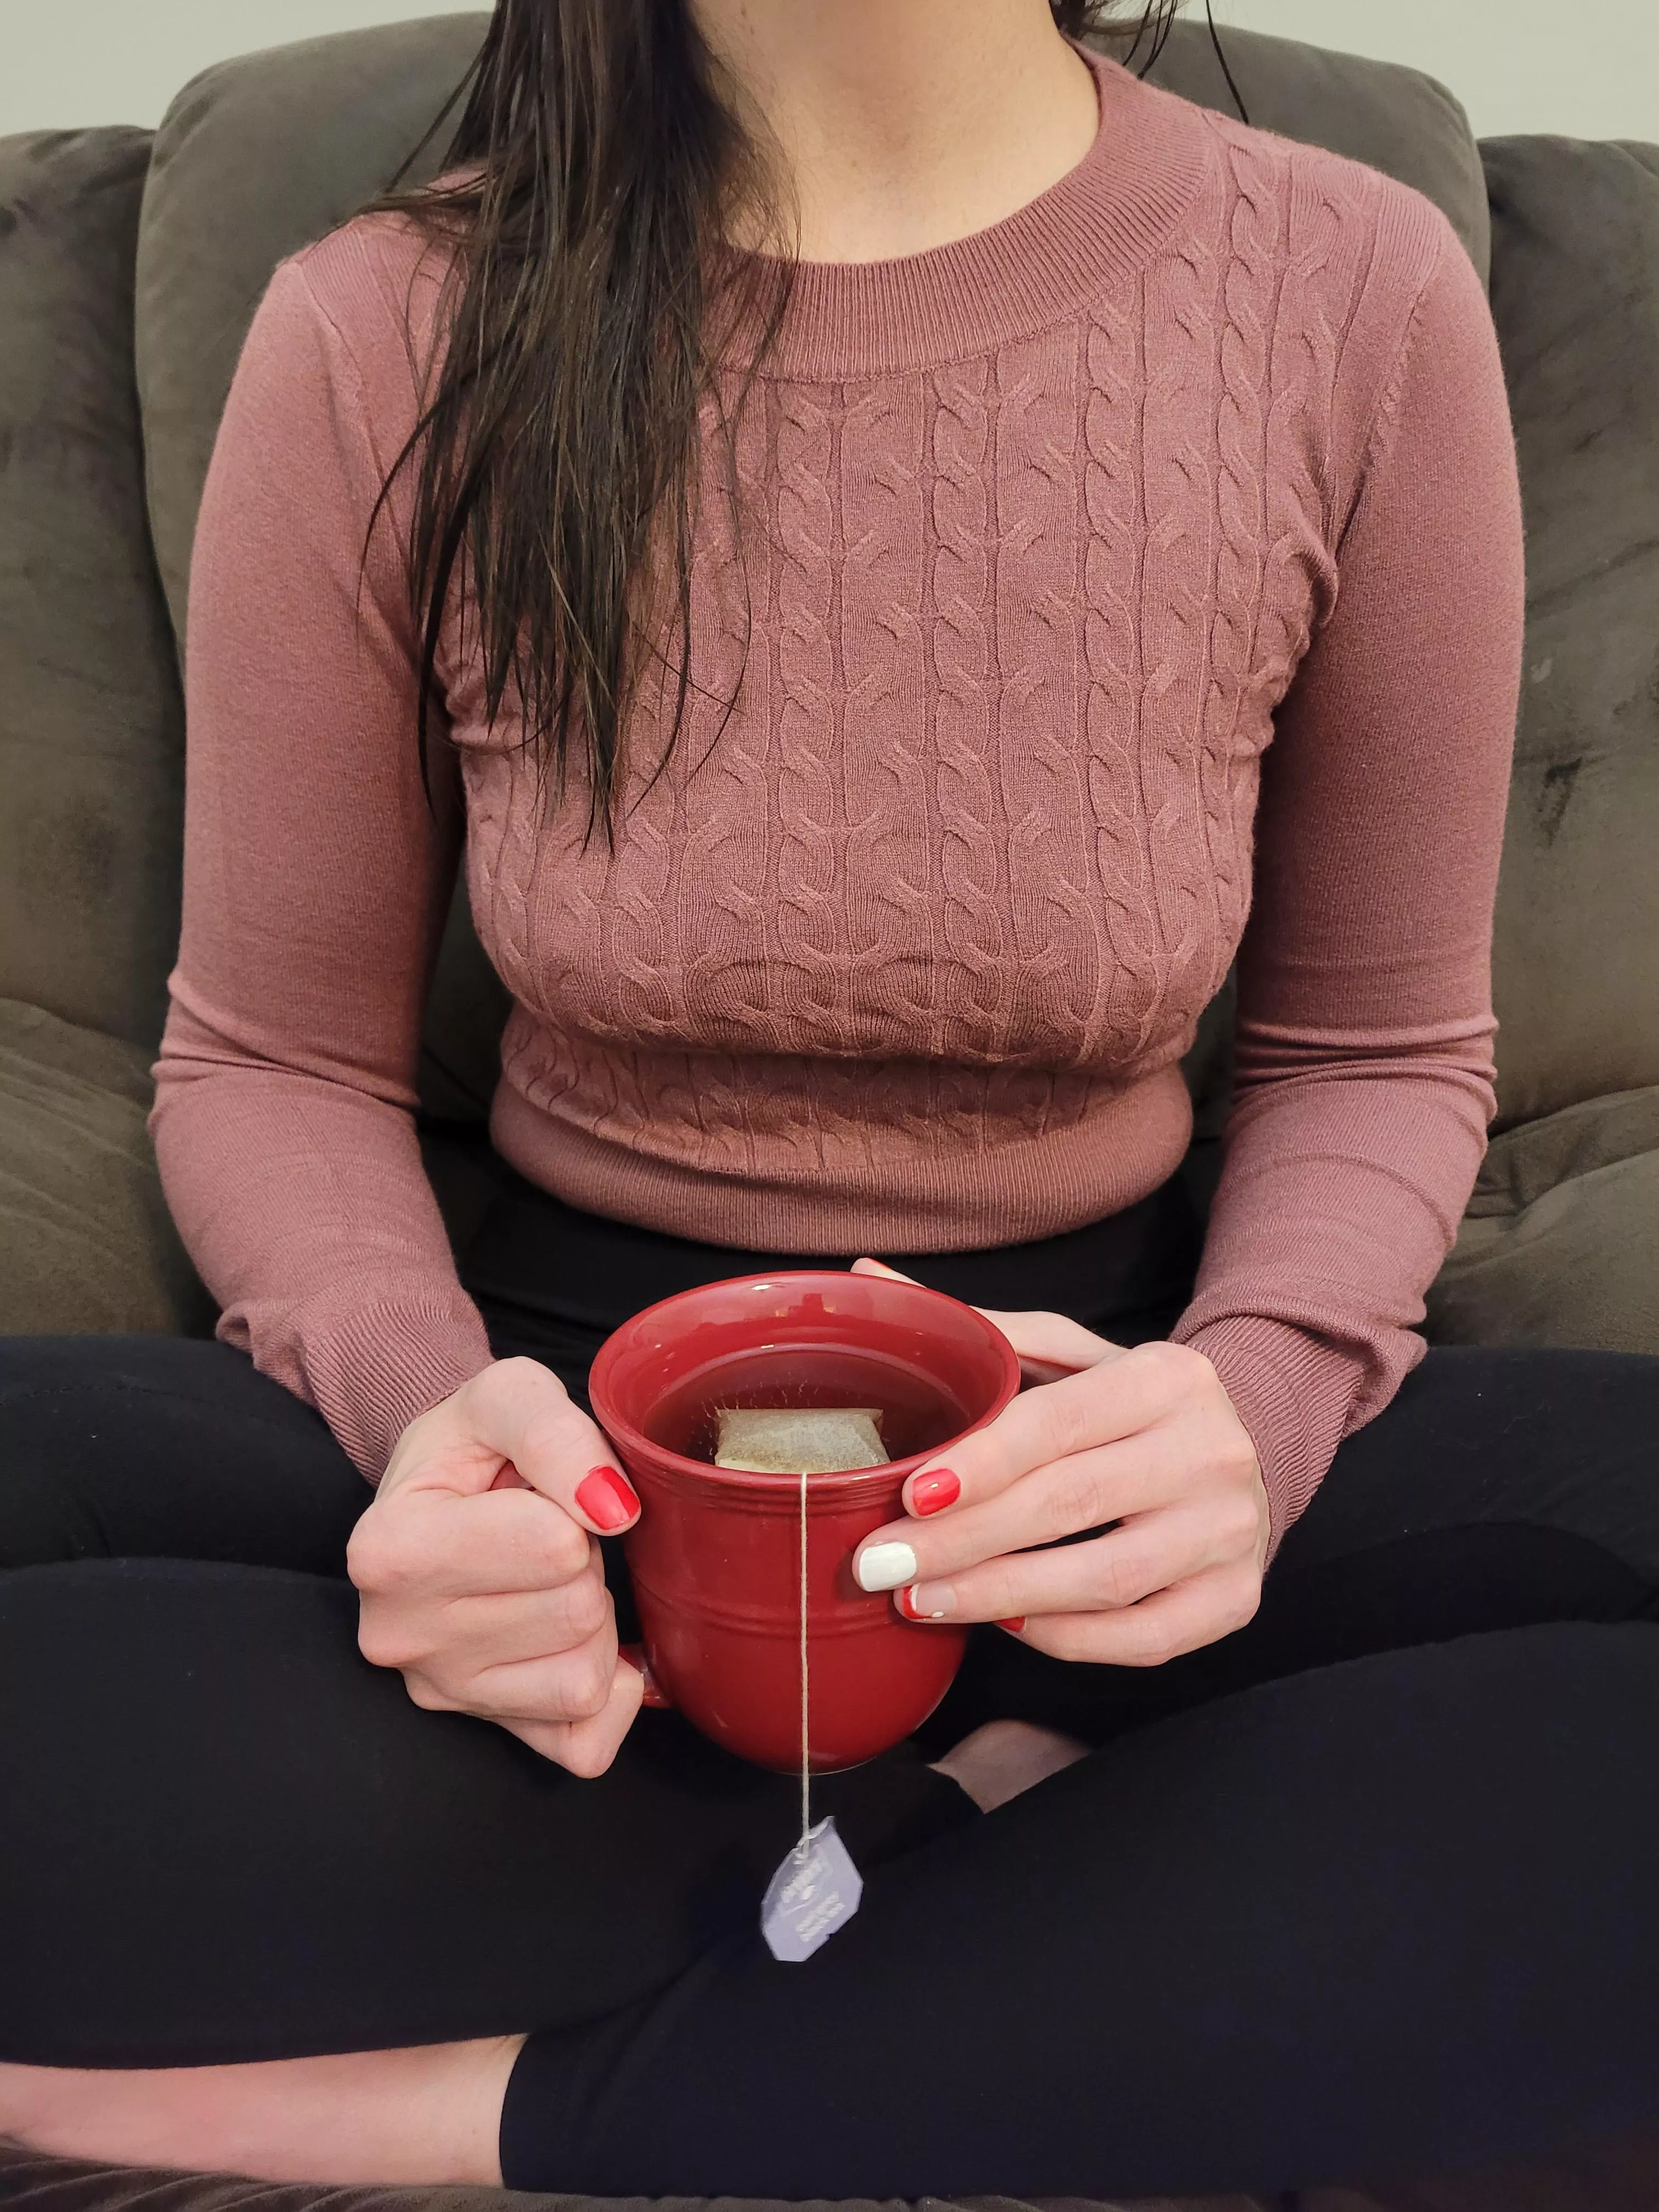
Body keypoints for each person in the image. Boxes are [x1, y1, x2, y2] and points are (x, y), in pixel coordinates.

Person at [2, 0, 1657, 2196]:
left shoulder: (1351, 290)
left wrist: (1248, 1412)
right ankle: (1036, 1845)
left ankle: (535, 2104)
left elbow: (1376, 1050)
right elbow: (275, 1058)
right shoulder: (388, 323)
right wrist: (424, 1418)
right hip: (575, 1463)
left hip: (1099, 1434)